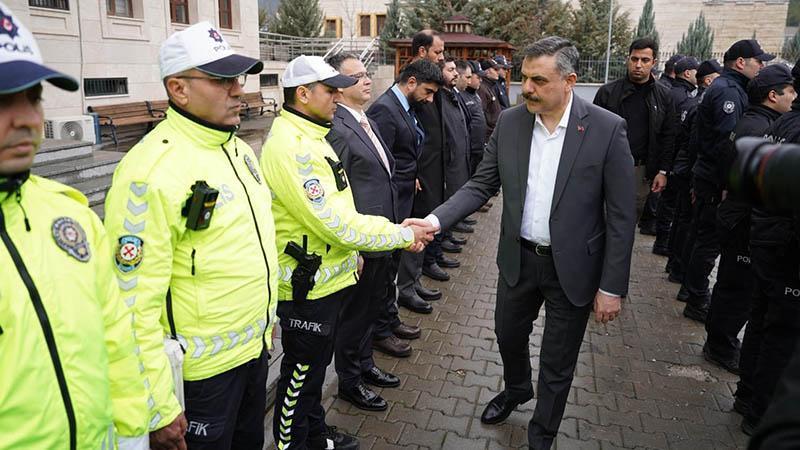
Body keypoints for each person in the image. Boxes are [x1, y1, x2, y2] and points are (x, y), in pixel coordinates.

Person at [420, 36, 636, 450]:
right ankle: (518, 388)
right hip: (518, 261)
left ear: (570, 81)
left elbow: (623, 217)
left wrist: (611, 286)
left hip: (572, 270)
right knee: (507, 335)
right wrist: (434, 220)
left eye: (539, 80)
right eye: (524, 79)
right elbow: (481, 184)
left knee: (557, 363)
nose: (528, 89)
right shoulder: (511, 122)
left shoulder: (606, 129)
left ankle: (542, 435)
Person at [104, 22, 276, 450]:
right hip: (202, 380)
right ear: (178, 90)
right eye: (221, 80)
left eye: (238, 78)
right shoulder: (148, 172)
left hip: (254, 354)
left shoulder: (235, 148)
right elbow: (131, 304)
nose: (238, 89)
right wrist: (157, 404)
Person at [260, 54, 434, 450]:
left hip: (326, 279)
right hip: (305, 290)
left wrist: (352, 252)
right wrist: (400, 234)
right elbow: (336, 222)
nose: (338, 97)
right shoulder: (294, 147)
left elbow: (342, 212)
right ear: (302, 94)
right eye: (330, 90)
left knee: (316, 372)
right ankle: (293, 443)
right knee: (300, 376)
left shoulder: (313, 135)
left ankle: (316, 435)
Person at [0, 4, 149, 448]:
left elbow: (114, 333)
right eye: (2, 100)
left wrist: (131, 429)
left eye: (33, 97)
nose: (28, 119)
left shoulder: (70, 214)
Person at [703, 64, 795, 376]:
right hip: (745, 221)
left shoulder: (761, 123)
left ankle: (720, 341)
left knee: (734, 289)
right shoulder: (761, 127)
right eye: (790, 91)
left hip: (740, 216)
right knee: (737, 291)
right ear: (773, 95)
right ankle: (721, 345)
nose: (794, 97)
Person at [323, 52, 403, 412]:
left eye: (366, 72)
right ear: (338, 89)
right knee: (355, 316)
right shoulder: (337, 128)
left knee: (371, 307)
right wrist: (351, 246)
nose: (366, 79)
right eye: (355, 76)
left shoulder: (362, 119)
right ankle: (350, 382)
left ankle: (366, 365)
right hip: (361, 242)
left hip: (382, 233)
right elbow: (339, 193)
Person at [681, 39, 772, 323]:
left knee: (702, 238)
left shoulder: (730, 88)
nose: (762, 67)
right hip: (713, 177)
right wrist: (725, 184)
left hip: (708, 174)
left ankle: (691, 290)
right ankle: (695, 297)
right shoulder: (728, 92)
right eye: (759, 62)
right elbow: (726, 144)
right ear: (741, 62)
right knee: (707, 242)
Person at [735, 61, 800, 435]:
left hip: (767, 237)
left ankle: (747, 395)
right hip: (785, 246)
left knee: (761, 320)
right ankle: (761, 412)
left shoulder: (782, 124)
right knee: (781, 333)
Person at [367, 59, 444, 319]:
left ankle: (390, 317)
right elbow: (379, 164)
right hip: (391, 202)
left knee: (394, 264)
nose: (430, 100)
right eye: (428, 92)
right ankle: (384, 325)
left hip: (405, 193)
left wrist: (412, 175)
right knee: (386, 268)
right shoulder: (384, 110)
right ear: (411, 82)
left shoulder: (406, 107)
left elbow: (404, 150)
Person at [594, 37, 675, 236]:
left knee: (625, 229)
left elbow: (669, 135)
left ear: (654, 62)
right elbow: (592, 133)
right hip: (607, 167)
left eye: (645, 60)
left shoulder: (664, 96)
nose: (638, 65)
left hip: (640, 171)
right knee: (599, 224)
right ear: (628, 59)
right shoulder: (608, 93)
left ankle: (617, 266)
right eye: (634, 59)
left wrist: (663, 171)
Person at [666, 59, 722, 289]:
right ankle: (681, 272)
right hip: (693, 172)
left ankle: (676, 265)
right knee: (689, 224)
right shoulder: (698, 104)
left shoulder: (694, 102)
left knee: (683, 220)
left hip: (687, 169)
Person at [653, 56, 699, 256]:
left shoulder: (675, 93)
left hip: (671, 157)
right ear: (687, 73)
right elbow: (674, 131)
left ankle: (663, 241)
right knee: (670, 203)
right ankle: (662, 242)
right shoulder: (682, 97)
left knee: (668, 203)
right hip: (674, 158)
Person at [457, 60, 488, 176]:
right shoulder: (460, 96)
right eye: (478, 77)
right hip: (469, 151)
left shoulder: (476, 95)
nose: (480, 80)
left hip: (479, 149)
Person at [478, 58, 503, 142]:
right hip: (488, 137)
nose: (498, 72)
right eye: (495, 69)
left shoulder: (490, 86)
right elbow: (481, 115)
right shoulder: (482, 89)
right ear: (487, 71)